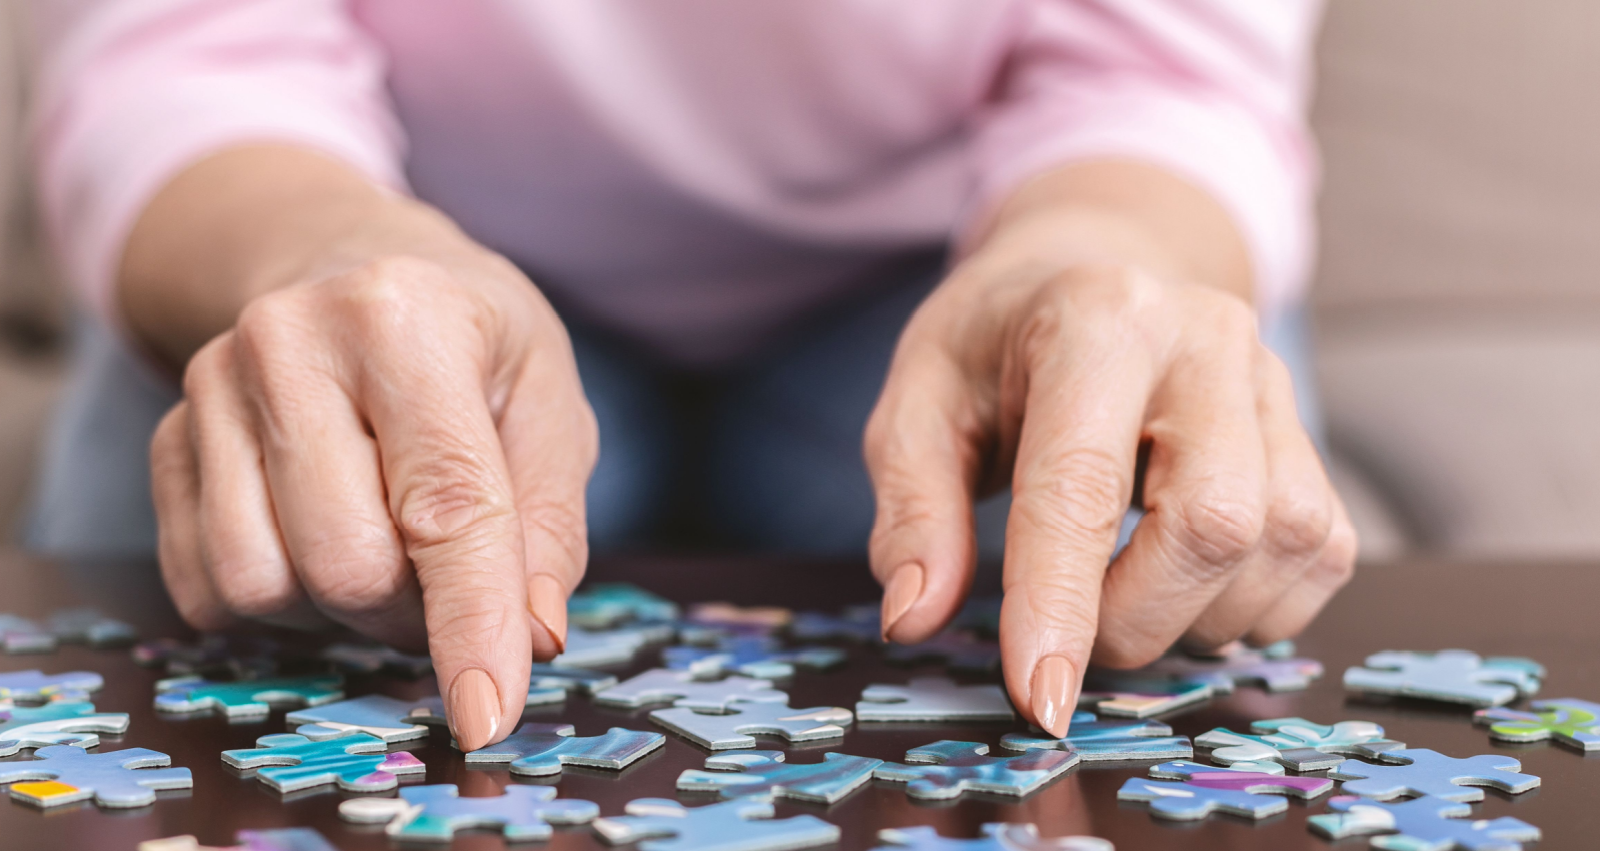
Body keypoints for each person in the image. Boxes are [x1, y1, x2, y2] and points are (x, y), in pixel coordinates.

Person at [26, 0, 1354, 751]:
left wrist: (1096, 254)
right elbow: (185, 51)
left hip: (960, 273)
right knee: (214, 612)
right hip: (369, 235)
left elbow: (1159, 76)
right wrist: (322, 252)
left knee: (1151, 576)